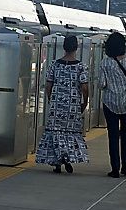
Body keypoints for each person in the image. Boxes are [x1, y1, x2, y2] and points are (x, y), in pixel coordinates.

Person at [36, 35, 90, 173]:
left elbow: (48, 85)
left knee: (55, 132)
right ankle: (68, 157)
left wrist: (50, 99)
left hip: (56, 104)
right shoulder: (81, 66)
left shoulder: (54, 64)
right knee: (70, 132)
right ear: (76, 48)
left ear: (64, 47)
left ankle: (57, 162)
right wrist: (84, 102)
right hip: (72, 107)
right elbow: (84, 87)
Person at [99, 31, 126, 178]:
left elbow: (101, 84)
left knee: (112, 135)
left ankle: (115, 168)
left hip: (110, 102)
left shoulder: (105, 62)